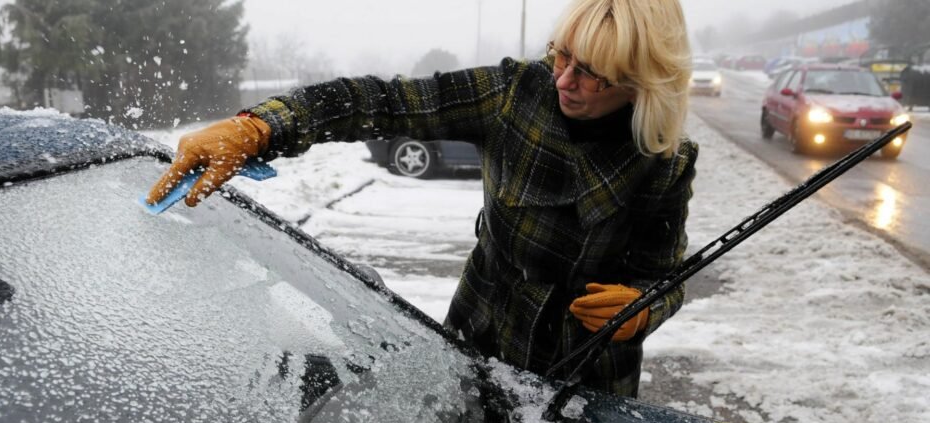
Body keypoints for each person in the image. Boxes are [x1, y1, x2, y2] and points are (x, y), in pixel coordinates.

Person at [147, 0, 698, 398]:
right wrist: (263, 128)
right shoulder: (514, 96)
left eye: (591, 74)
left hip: (588, 381)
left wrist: (642, 309)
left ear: (639, 83)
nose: (563, 79)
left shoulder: (665, 162)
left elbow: (663, 276)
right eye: (562, 56)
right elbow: (383, 100)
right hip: (482, 341)